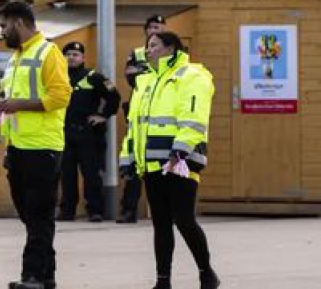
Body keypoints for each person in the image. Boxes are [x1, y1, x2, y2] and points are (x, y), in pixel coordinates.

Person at [121, 30, 219, 289]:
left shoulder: (192, 75)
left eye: (154, 45)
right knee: (161, 224)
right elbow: (135, 126)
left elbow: (194, 117)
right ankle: (162, 281)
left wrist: (180, 151)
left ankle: (206, 273)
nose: (148, 50)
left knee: (184, 219)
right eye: (147, 46)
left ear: (170, 49)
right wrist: (128, 159)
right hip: (152, 163)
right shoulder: (145, 82)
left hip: (181, 161)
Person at [0, 1, 72, 289]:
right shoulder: (16, 58)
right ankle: (47, 274)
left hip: (43, 147)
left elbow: (61, 96)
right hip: (18, 148)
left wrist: (19, 105)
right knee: (30, 214)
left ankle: (32, 276)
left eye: (4, 25)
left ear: (19, 23)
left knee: (38, 214)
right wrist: (1, 126)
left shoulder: (49, 53)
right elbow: (12, 103)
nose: (1, 32)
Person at [57, 41, 119, 223]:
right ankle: (67, 211)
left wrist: (103, 116)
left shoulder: (93, 77)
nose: (71, 58)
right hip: (63, 132)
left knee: (91, 174)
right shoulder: (58, 77)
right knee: (67, 175)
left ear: (83, 57)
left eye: (75, 55)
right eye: (68, 54)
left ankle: (95, 211)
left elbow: (114, 97)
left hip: (87, 134)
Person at [117, 15, 165, 224]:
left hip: (161, 113)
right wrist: (150, 71)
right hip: (139, 111)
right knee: (134, 164)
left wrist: (144, 71)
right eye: (151, 27)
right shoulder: (137, 53)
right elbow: (131, 77)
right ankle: (129, 210)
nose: (155, 30)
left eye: (159, 27)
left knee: (163, 166)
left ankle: (166, 211)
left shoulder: (173, 51)